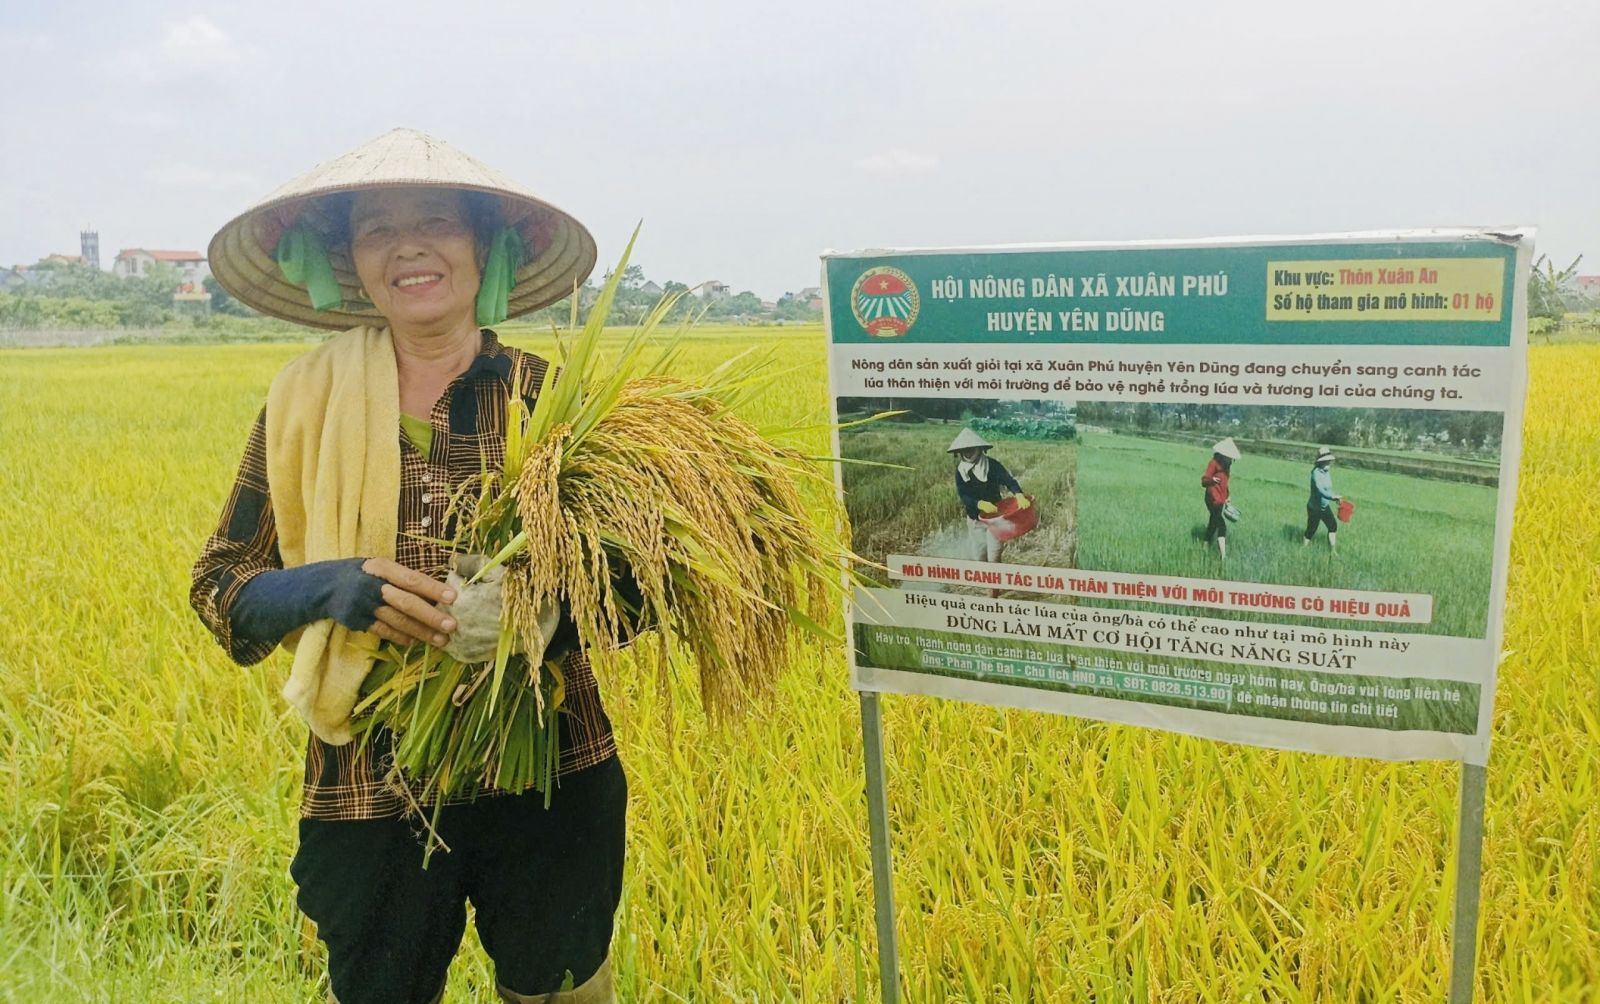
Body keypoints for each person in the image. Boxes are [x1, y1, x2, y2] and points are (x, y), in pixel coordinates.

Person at [191, 129, 622, 1004]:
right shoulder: (304, 405)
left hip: (547, 776)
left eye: (437, 222)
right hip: (368, 792)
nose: (410, 246)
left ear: (485, 248)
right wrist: (329, 585)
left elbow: (641, 586)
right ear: (350, 260)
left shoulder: (551, 401)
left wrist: (544, 614)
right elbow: (219, 588)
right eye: (378, 228)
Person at [947, 428, 1029, 571]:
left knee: (994, 557)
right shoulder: (960, 471)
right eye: (964, 449)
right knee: (980, 556)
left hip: (995, 518)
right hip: (975, 519)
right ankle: (987, 581)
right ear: (959, 452)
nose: (968, 452)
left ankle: (993, 591)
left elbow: (1009, 481)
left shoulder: (992, 465)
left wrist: (1019, 494)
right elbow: (963, 495)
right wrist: (978, 504)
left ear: (980, 448)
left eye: (971, 448)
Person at [1200, 438, 1239, 560]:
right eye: (1229, 457)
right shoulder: (1213, 463)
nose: (1231, 460)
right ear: (1223, 455)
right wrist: (1212, 480)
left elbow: (1225, 484)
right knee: (1221, 525)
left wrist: (1228, 495)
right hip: (1212, 498)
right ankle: (1223, 556)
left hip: (1221, 499)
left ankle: (1205, 547)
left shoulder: (1227, 466)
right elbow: (1204, 480)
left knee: (1213, 523)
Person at [1304, 447, 1341, 550]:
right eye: (1326, 461)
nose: (1328, 463)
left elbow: (1328, 489)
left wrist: (1335, 497)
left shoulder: (1326, 473)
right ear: (1321, 462)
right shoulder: (1316, 473)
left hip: (1324, 507)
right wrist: (1331, 497)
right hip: (1315, 508)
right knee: (1311, 530)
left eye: (1329, 461)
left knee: (1333, 526)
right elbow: (1320, 489)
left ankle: (1332, 550)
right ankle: (1304, 549)